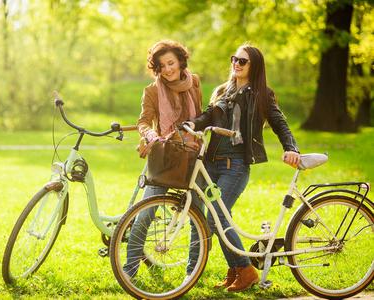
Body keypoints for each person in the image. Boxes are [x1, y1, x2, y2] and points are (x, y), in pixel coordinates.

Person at [186, 43, 300, 292]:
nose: (236, 64)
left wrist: (291, 148)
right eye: (234, 59)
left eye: (243, 61)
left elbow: (280, 123)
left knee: (215, 216)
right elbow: (207, 116)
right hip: (210, 163)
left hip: (235, 166)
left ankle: (246, 270)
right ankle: (235, 270)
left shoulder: (262, 94)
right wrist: (190, 124)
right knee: (207, 217)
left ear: (254, 66)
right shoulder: (221, 91)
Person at [124, 40, 203, 278]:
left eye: (171, 62)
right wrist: (150, 135)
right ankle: (129, 270)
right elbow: (143, 121)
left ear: (180, 61)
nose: (167, 69)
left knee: (198, 217)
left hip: (193, 156)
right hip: (165, 156)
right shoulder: (151, 91)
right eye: (162, 65)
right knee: (145, 212)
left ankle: (193, 271)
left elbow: (201, 114)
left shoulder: (195, 82)